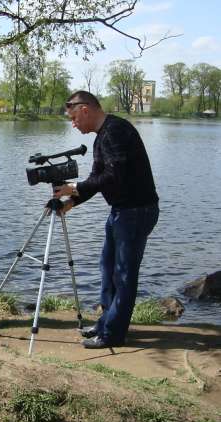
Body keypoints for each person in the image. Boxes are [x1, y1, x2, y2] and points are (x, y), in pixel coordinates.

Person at [54, 91, 159, 349]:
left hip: (135, 212)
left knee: (123, 275)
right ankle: (105, 324)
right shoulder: (103, 135)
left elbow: (114, 177)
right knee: (108, 270)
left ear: (85, 110)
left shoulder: (115, 132)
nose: (73, 123)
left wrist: (74, 186)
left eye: (74, 117)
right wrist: (71, 202)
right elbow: (98, 180)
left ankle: (113, 334)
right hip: (121, 212)